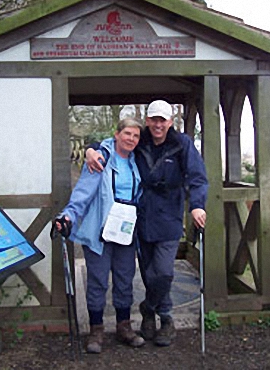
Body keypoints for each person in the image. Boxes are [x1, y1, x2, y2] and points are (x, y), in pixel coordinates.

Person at [85, 100, 208, 347]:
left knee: (163, 272)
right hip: (140, 217)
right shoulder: (141, 140)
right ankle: (154, 319)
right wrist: (91, 149)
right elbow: (114, 143)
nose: (158, 125)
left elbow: (197, 177)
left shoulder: (182, 144)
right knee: (148, 272)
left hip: (170, 216)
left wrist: (197, 204)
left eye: (163, 120)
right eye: (154, 119)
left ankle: (157, 312)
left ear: (171, 122)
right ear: (148, 121)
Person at [54, 117, 145, 354]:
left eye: (136, 136)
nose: (131, 139)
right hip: (101, 230)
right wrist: (68, 216)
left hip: (126, 231)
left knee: (125, 279)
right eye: (127, 134)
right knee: (97, 280)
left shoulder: (137, 162)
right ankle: (96, 329)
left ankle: (124, 327)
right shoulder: (100, 159)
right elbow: (83, 191)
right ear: (116, 134)